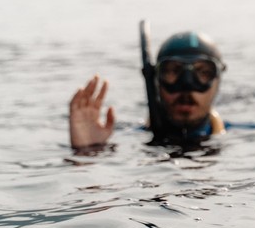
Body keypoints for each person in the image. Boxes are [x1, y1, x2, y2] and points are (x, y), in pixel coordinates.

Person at [69, 31, 226, 151]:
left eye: (203, 73)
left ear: (218, 80)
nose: (186, 85)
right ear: (154, 80)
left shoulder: (244, 135)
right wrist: (88, 150)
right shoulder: (126, 136)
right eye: (173, 71)